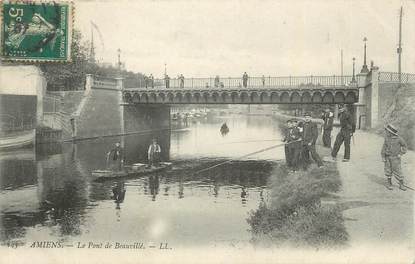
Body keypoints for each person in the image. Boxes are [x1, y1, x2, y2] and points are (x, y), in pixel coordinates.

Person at [381, 124, 408, 191]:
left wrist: (401, 153)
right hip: (387, 157)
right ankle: (389, 183)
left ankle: (401, 184)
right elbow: (384, 148)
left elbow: (404, 146)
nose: (386, 132)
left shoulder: (399, 139)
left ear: (391, 132)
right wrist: (383, 156)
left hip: (395, 158)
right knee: (388, 170)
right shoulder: (387, 138)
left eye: (387, 131)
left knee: (398, 170)